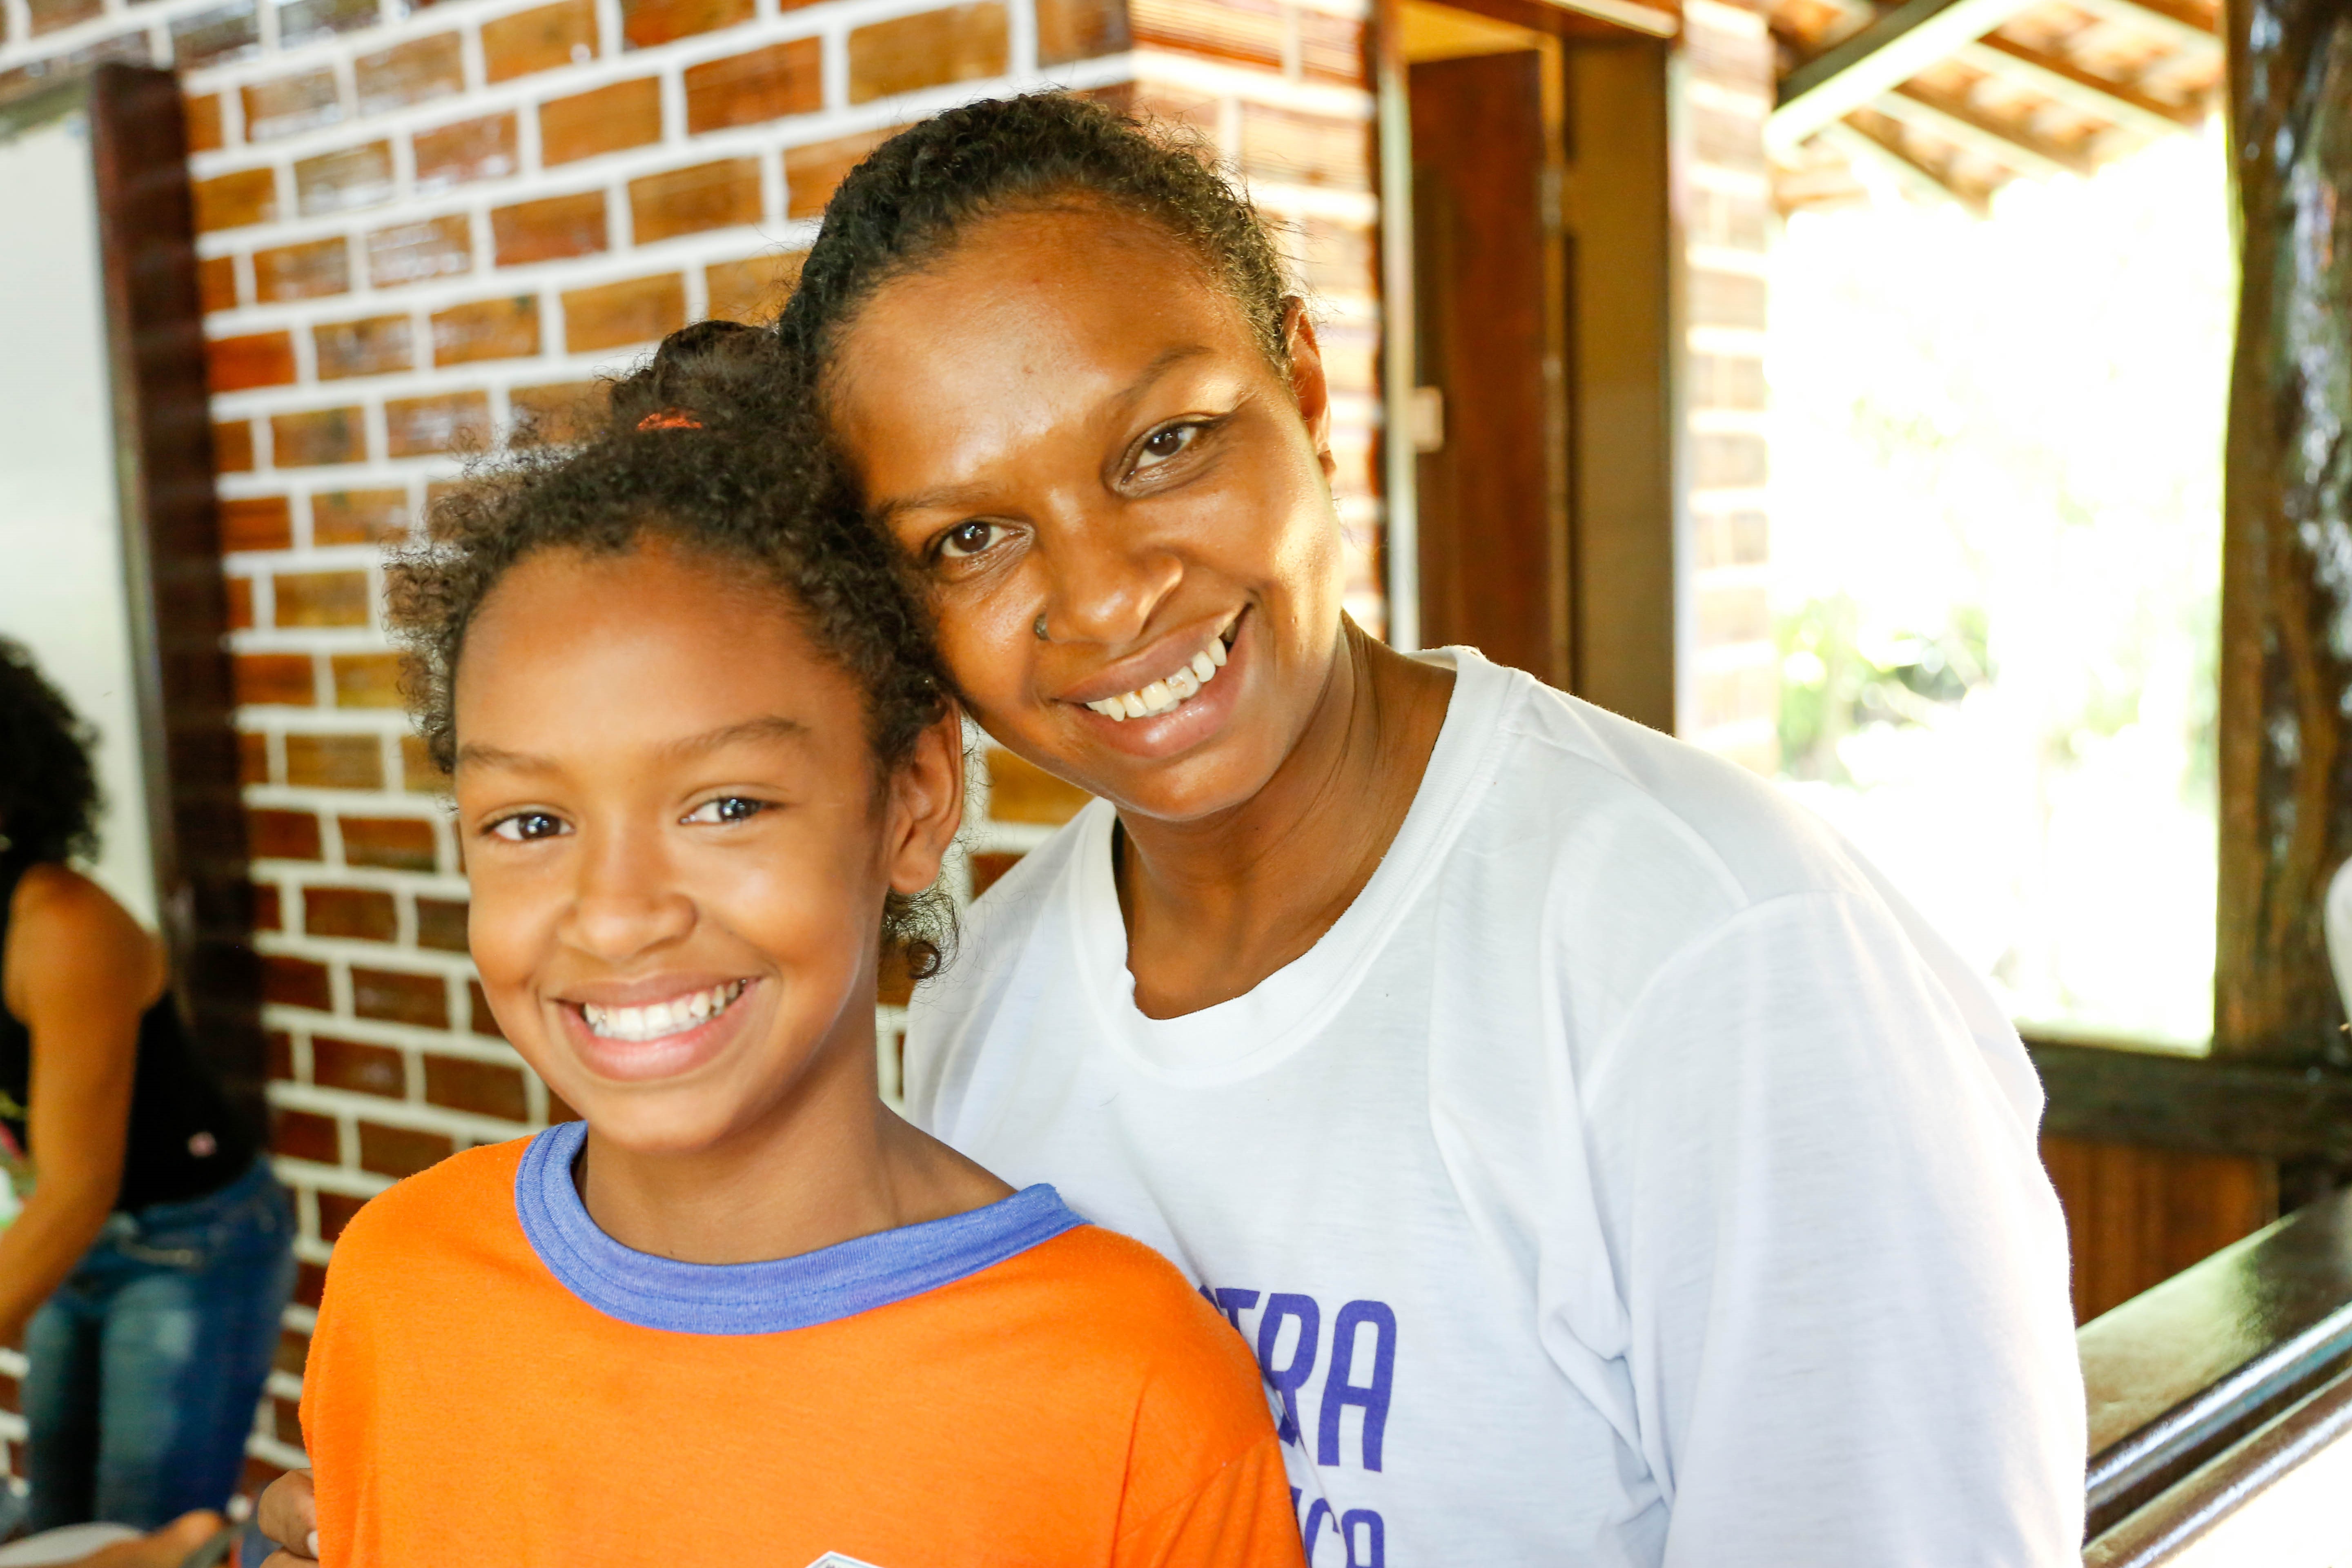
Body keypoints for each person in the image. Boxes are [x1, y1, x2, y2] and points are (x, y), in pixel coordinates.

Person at [265, 95, 2086, 1565]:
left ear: (1303, 380)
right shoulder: (999, 993)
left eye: (1164, 445)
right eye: (969, 537)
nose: (1108, 594)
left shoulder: (1722, 962)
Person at [289, 409, 1307, 1566]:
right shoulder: (398, 1284)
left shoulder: (1131, 1385)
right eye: (530, 821)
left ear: (914, 799)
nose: (618, 913)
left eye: (727, 806)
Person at [0, 639, 294, 1537]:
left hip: (188, 1243)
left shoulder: (61, 925)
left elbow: (79, 1187)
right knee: (57, 1530)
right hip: (75, 1237)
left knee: (143, 1539)